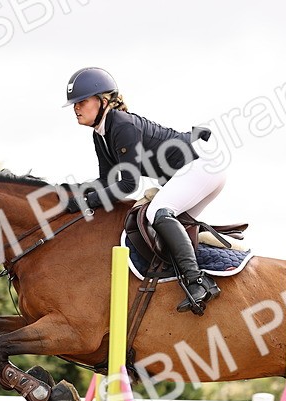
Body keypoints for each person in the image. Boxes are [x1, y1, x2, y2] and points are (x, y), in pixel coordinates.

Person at [61, 66, 225, 314]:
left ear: (103, 101)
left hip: (202, 166)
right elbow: (107, 180)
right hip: (187, 173)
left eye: (81, 102)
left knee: (157, 213)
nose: (76, 108)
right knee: (166, 222)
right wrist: (74, 192)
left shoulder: (122, 126)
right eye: (74, 103)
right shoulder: (101, 133)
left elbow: (128, 184)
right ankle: (179, 277)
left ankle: (198, 282)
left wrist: (85, 203)